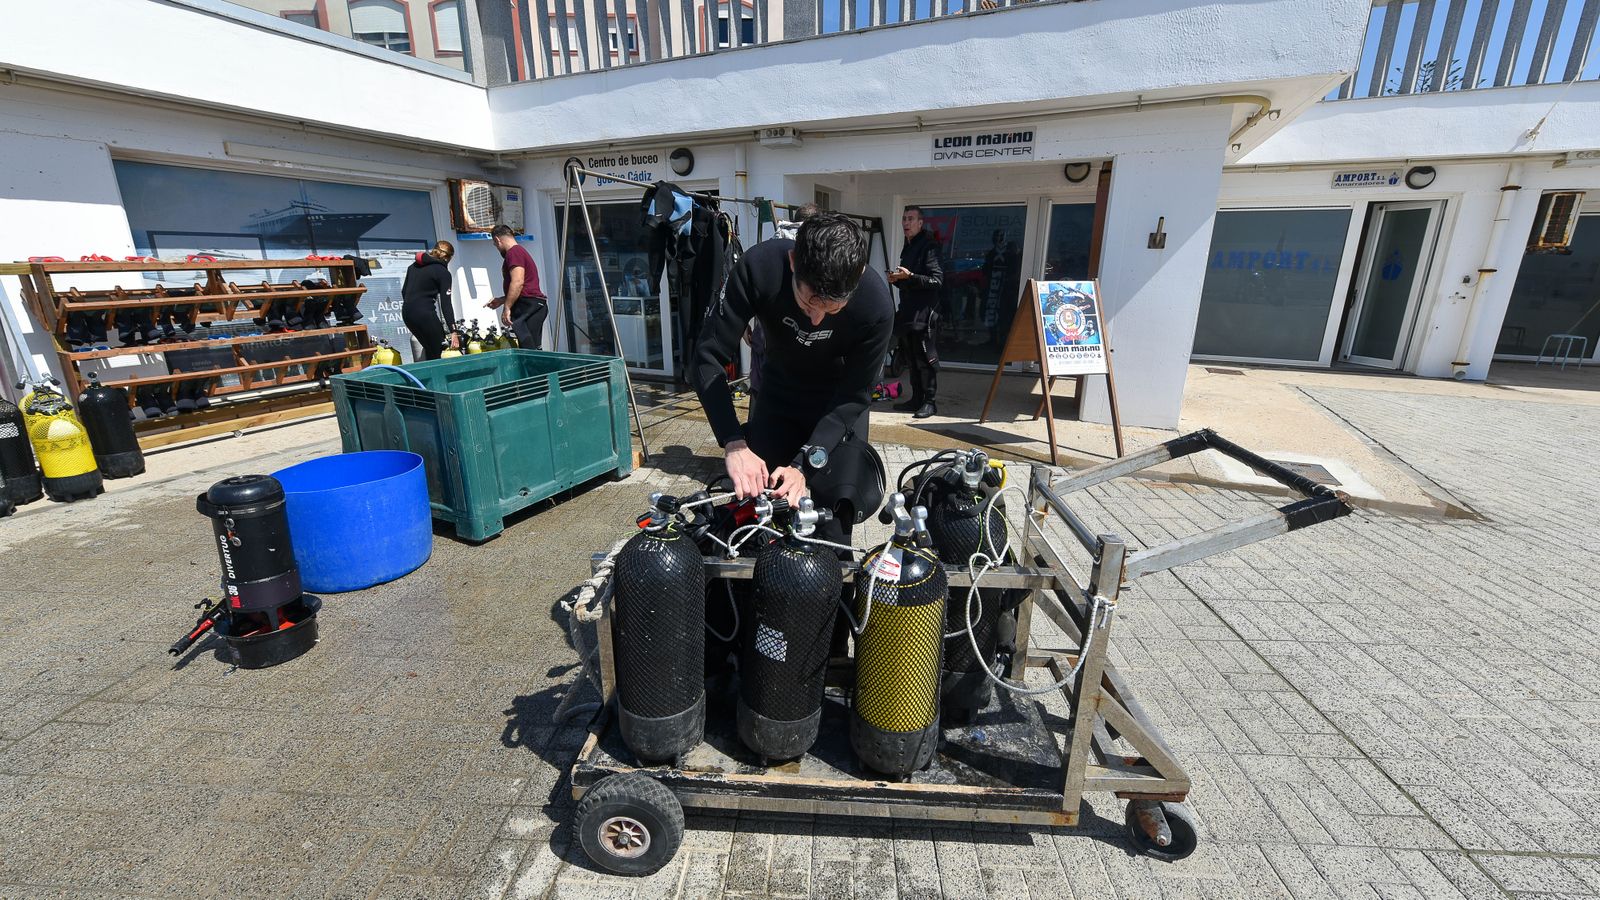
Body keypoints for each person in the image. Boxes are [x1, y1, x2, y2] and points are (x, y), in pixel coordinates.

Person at [693, 212, 893, 533]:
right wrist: (733, 442)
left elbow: (855, 394)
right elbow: (706, 358)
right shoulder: (759, 268)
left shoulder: (875, 305)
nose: (816, 321)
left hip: (838, 407)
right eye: (806, 302)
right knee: (760, 518)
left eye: (832, 310)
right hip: (779, 395)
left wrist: (803, 465)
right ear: (792, 261)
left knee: (833, 526)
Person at [890, 205, 944, 419]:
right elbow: (910, 282)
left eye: (910, 219)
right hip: (908, 314)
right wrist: (897, 280)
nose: (906, 222)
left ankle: (930, 402)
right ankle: (916, 399)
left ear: (920, 223)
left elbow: (937, 281)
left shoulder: (929, 246)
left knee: (925, 359)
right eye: (904, 218)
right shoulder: (909, 246)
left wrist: (910, 276)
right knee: (910, 359)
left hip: (925, 314)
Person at [486, 224, 548, 348]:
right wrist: (502, 300)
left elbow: (518, 281)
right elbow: (524, 287)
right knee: (533, 347)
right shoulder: (519, 252)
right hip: (534, 304)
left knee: (528, 350)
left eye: (495, 244)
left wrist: (507, 307)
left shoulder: (513, 253)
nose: (497, 248)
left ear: (498, 239)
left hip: (528, 305)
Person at [400, 240, 456, 360]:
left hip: (407, 314)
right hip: (424, 314)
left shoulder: (412, 267)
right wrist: (453, 331)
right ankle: (440, 378)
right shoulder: (443, 273)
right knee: (440, 350)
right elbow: (446, 304)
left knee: (429, 348)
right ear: (447, 257)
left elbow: (404, 292)